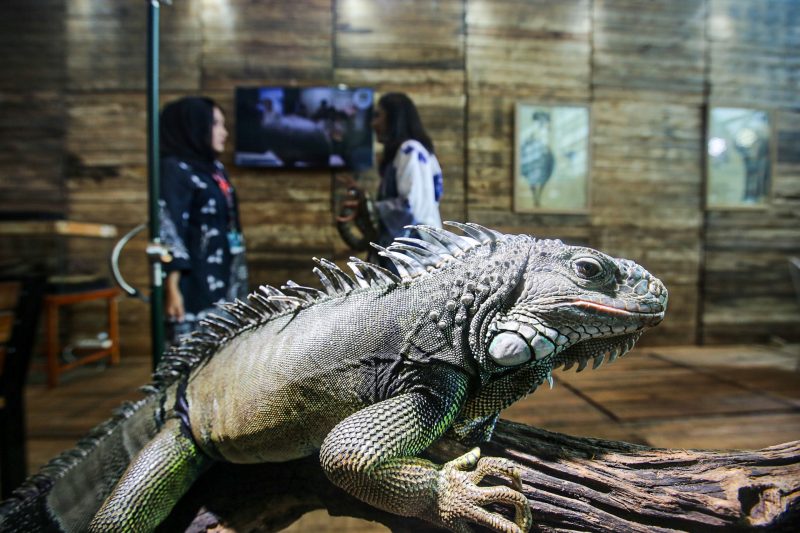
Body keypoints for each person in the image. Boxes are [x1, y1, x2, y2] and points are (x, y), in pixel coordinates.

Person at [158, 96, 248, 346]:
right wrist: (172, 287)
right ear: (194, 126)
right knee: (193, 355)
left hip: (226, 279)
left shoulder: (214, 168)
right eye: (216, 124)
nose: (224, 132)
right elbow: (168, 228)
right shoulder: (173, 169)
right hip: (193, 286)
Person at [338, 92, 443, 267]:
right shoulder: (407, 152)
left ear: (394, 118)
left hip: (414, 256)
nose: (373, 124)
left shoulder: (410, 150)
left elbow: (411, 207)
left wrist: (369, 206)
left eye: (378, 116)